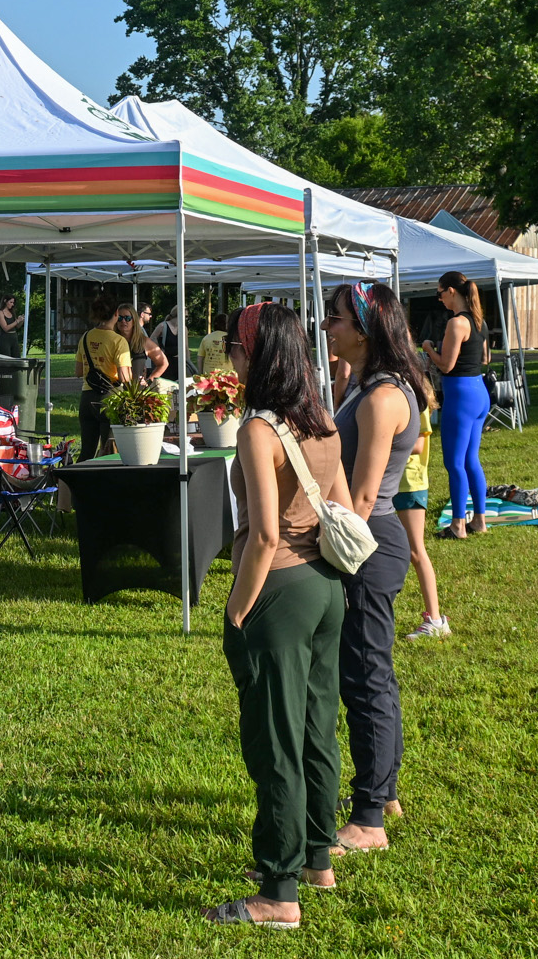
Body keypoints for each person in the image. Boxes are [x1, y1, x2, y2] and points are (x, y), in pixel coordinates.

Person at [204, 302, 347, 929]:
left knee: (275, 739)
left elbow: (262, 535)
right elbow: (340, 504)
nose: (231, 357)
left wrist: (238, 608)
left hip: (278, 590)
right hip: (325, 585)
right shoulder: (321, 420)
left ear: (253, 355)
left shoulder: (257, 431)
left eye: (236, 346)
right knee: (317, 724)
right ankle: (319, 856)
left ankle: (279, 892)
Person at [325, 282, 423, 850]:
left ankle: (369, 820)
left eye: (336, 319)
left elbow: (360, 499)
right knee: (370, 671)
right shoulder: (365, 386)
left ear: (364, 329)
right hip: (368, 541)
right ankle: (384, 791)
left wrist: (320, 545)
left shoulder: (383, 397)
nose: (328, 328)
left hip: (368, 543)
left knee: (364, 675)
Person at [423, 271, 491, 540]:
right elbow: (484, 357)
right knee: (471, 459)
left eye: (440, 294)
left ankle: (458, 525)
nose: (439, 299)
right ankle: (480, 520)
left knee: (454, 463)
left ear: (451, 291)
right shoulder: (478, 320)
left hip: (460, 394)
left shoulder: (456, 323)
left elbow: (446, 365)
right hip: (478, 391)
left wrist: (429, 348)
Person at [397, 402, 445, 639]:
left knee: (416, 552)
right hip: (394, 480)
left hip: (409, 483)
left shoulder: (415, 398)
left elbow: (418, 445)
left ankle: (435, 619)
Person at [73, 293, 132, 461]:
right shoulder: (118, 341)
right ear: (116, 314)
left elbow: (78, 372)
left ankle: (78, 485)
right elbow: (124, 376)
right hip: (110, 398)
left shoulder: (85, 337)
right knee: (109, 451)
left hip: (87, 397)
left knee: (86, 452)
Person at [198, 309, 234, 378]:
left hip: (208, 376)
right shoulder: (231, 339)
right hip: (227, 376)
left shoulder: (206, 338)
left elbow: (200, 358)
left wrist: (200, 373)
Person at [0, 292, 25, 358]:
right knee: (6, 358)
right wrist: (17, 321)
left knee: (16, 357)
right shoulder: (0, 313)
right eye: (11, 302)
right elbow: (5, 328)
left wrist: (21, 321)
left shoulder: (12, 312)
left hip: (14, 337)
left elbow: (17, 326)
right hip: (5, 338)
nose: (12, 304)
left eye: (13, 303)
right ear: (5, 301)